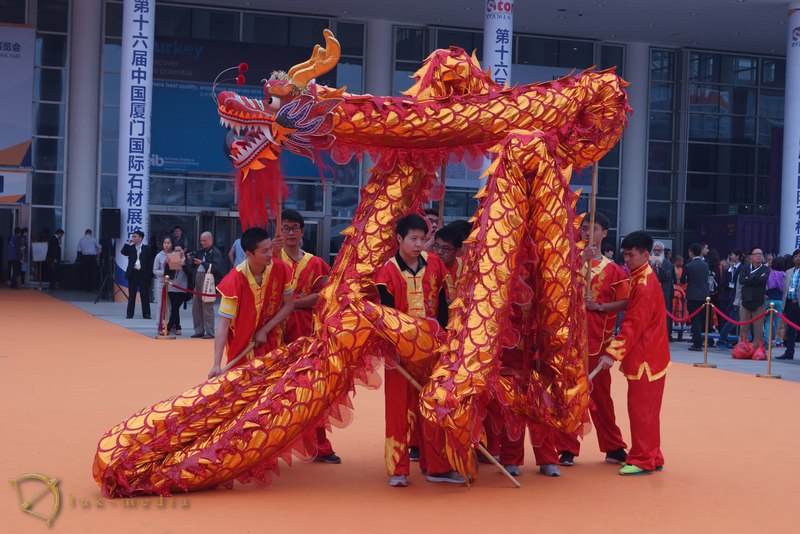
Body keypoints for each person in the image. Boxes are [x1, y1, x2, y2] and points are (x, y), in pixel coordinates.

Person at [375, 214, 464, 487]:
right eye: (412, 238)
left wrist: (446, 341)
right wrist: (392, 349)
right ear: (399, 239)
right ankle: (399, 469)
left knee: (434, 406)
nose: (417, 244)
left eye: (421, 238)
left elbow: (441, 305)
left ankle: (437, 467)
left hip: (432, 349)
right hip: (400, 353)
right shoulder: (387, 273)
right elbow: (386, 317)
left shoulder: (435, 264)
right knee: (398, 410)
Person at [557, 213, 629, 468]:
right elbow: (557, 290)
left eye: (594, 228)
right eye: (584, 228)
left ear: (604, 233)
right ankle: (566, 447)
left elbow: (624, 302)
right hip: (569, 341)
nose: (588, 232)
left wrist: (598, 306)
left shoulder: (613, 269)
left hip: (598, 342)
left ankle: (613, 445)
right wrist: (579, 261)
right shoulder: (569, 263)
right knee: (570, 395)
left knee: (601, 397)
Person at [601, 231, 669, 476]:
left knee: (641, 410)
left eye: (631, 255)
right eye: (625, 255)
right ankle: (653, 454)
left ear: (645, 255)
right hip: (650, 353)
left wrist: (612, 352)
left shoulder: (643, 284)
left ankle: (642, 458)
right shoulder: (641, 277)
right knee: (647, 409)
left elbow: (633, 324)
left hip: (645, 357)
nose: (626, 259)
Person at [275, 209, 340, 464]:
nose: (290, 233)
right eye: (285, 228)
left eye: (294, 228)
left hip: (307, 335)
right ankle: (267, 450)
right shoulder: (271, 259)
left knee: (313, 390)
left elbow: (323, 294)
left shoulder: (316, 263)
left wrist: (293, 304)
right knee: (275, 394)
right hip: (276, 335)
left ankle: (319, 446)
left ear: (302, 231)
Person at [208, 227, 294, 377]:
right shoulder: (234, 281)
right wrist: (216, 364)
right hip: (242, 348)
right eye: (264, 251)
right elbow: (223, 324)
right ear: (248, 254)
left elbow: (289, 305)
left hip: (272, 342)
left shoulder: (281, 269)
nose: (269, 254)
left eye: (270, 249)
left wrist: (265, 330)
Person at [191, 231, 224, 339]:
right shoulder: (200, 251)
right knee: (196, 307)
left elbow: (216, 268)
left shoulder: (216, 252)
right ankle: (199, 330)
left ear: (211, 240)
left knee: (207, 307)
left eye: (205, 240)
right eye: (201, 240)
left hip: (209, 280)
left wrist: (202, 263)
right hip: (198, 279)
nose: (202, 243)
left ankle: (209, 332)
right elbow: (192, 266)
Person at [681, 243, 711, 351]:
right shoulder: (705, 265)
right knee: (701, 319)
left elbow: (682, 280)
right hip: (704, 295)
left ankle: (697, 342)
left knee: (695, 319)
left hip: (693, 295)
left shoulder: (689, 266)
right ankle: (700, 340)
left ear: (691, 252)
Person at [739, 247, 770, 350]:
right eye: (756, 254)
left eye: (760, 254)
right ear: (751, 256)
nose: (759, 256)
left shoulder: (765, 269)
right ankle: (742, 348)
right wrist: (756, 277)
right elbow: (742, 280)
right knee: (743, 328)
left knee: (758, 329)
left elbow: (762, 280)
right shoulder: (745, 267)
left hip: (759, 302)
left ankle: (757, 349)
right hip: (745, 301)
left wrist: (750, 278)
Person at [121, 230, 153, 319]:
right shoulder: (130, 248)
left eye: (135, 236)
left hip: (143, 273)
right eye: (133, 236)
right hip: (133, 272)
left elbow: (150, 262)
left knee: (144, 294)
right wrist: (128, 243)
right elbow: (123, 252)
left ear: (140, 238)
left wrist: (148, 273)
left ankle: (146, 314)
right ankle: (130, 314)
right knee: (132, 294)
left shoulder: (147, 248)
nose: (133, 238)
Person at [718, 250, 744, 349]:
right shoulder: (729, 269)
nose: (731, 256)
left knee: (735, 321)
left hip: (738, 297)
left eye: (732, 255)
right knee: (730, 320)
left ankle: (731, 341)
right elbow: (724, 282)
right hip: (731, 297)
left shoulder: (742, 268)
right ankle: (723, 340)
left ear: (738, 256)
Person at [777, 250, 800, 360]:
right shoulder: (789, 271)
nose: (798, 258)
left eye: (799, 256)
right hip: (790, 303)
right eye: (796, 256)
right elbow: (785, 290)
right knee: (790, 330)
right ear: (793, 258)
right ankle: (789, 352)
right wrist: (784, 305)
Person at [165, 244, 193, 336]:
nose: (177, 252)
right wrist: (167, 264)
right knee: (174, 308)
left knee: (175, 307)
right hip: (172, 287)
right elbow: (166, 274)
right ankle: (178, 327)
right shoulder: (172, 258)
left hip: (182, 288)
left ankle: (168, 328)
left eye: (179, 250)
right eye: (175, 250)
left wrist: (184, 265)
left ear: (183, 250)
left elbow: (191, 274)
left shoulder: (187, 260)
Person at [651, 241, 676, 340]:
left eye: (659, 250)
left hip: (664, 291)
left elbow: (668, 276)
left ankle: (667, 333)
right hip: (652, 291)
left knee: (666, 313)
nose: (656, 252)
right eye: (655, 250)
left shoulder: (667, 263)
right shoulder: (650, 261)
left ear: (662, 251)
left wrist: (660, 266)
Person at [432, 226, 463, 302]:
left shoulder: (466, 266)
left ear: (457, 251)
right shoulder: (429, 268)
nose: (439, 251)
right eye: (436, 246)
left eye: (445, 248)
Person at [764, 256, 785, 345]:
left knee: (768, 321)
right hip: (780, 300)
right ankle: (779, 340)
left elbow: (766, 287)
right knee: (779, 321)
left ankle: (767, 340)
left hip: (769, 299)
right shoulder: (784, 274)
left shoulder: (769, 273)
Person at [152, 236, 173, 307]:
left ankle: (169, 318)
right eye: (164, 243)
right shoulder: (159, 256)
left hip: (172, 283)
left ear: (172, 244)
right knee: (160, 305)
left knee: (170, 305)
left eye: (168, 243)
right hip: (161, 282)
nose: (166, 245)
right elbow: (154, 270)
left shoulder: (174, 254)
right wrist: (164, 273)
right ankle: (159, 318)